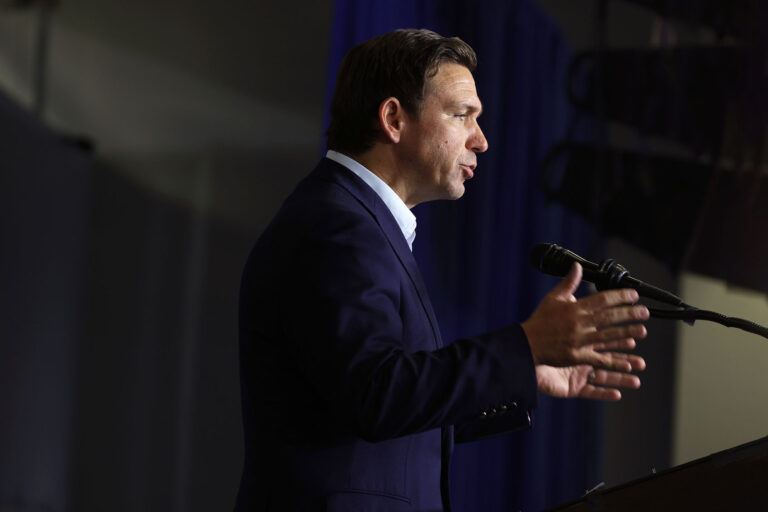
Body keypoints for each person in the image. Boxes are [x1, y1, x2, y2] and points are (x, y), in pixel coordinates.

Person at [234, 29, 649, 512]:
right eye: (461, 115)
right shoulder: (336, 224)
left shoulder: (354, 221)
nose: (482, 140)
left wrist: (524, 367)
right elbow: (378, 394)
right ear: (394, 119)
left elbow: (376, 415)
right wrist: (524, 344)